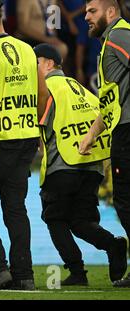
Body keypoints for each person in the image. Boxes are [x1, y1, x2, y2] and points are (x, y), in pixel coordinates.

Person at [0, 0, 49, 290]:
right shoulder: (28, 49)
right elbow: (43, 92)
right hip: (26, 139)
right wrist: (38, 127)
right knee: (15, 209)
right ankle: (24, 275)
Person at [35, 43, 128, 285]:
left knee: (55, 219)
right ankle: (113, 244)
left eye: (35, 64)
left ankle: (77, 273)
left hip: (63, 164)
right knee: (80, 221)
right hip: (93, 166)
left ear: (48, 63)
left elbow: (37, 125)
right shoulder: (83, 89)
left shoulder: (46, 87)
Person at [80, 0, 130, 287]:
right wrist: (91, 135)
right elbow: (110, 103)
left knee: (125, 202)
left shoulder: (120, 34)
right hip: (120, 131)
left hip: (128, 132)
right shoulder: (109, 41)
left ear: (111, 12)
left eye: (92, 11)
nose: (86, 16)